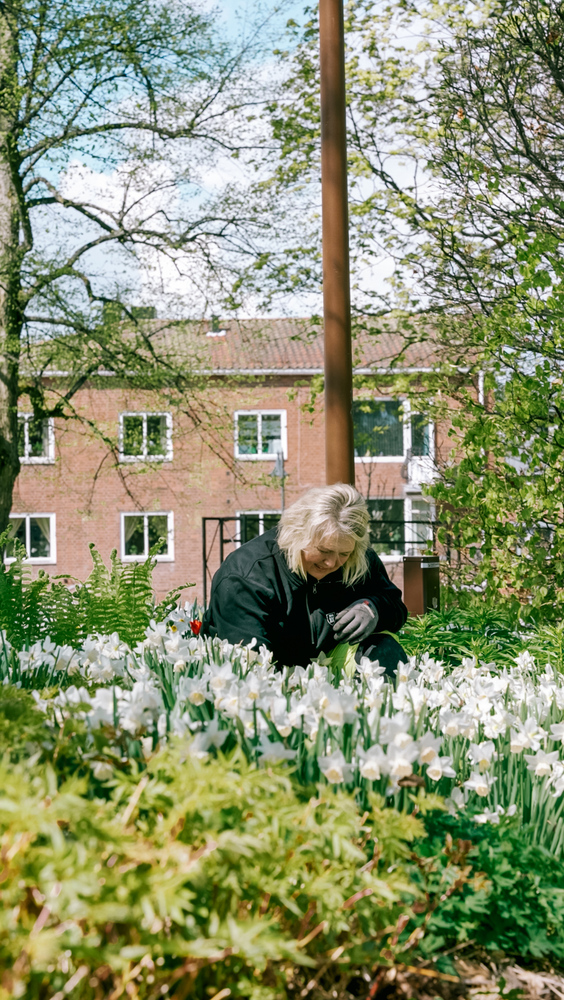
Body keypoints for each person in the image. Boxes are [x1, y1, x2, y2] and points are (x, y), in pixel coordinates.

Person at [201, 483, 408, 673]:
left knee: (384, 648)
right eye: (324, 550)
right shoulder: (247, 575)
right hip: (274, 668)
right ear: (297, 534)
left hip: (328, 662)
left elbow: (394, 605)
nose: (332, 563)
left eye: (344, 553)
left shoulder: (358, 558)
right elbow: (249, 665)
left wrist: (372, 608)